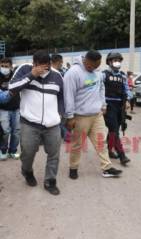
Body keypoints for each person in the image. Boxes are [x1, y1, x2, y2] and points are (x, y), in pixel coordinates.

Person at [8, 50, 63, 195]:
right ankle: (27, 171)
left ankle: (50, 181)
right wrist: (32, 75)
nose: (42, 69)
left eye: (46, 66)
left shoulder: (57, 75)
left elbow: (61, 97)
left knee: (54, 155)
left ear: (50, 64)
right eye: (39, 66)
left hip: (53, 125)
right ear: (34, 63)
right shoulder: (25, 69)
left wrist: (60, 114)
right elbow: (12, 88)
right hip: (29, 123)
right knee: (27, 153)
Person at [64, 50, 122, 179]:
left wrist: (103, 105)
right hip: (80, 116)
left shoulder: (97, 71)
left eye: (96, 66)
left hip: (96, 115)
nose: (93, 69)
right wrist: (70, 116)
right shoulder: (73, 73)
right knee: (77, 144)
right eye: (91, 66)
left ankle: (107, 167)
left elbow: (101, 88)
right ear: (86, 61)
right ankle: (73, 167)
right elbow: (68, 96)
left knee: (101, 142)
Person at [103, 52, 131, 166]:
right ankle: (122, 155)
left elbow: (127, 89)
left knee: (113, 130)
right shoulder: (103, 74)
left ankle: (109, 150)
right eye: (114, 60)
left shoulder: (123, 76)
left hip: (120, 106)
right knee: (114, 130)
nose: (117, 62)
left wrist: (128, 98)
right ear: (109, 62)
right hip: (108, 106)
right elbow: (95, 86)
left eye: (118, 60)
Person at [0, 58, 21, 160]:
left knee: (16, 131)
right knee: (5, 131)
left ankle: (13, 151)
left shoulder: (16, 76)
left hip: (16, 108)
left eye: (6, 66)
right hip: (3, 109)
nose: (4, 68)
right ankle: (3, 150)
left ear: (11, 66)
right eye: (2, 66)